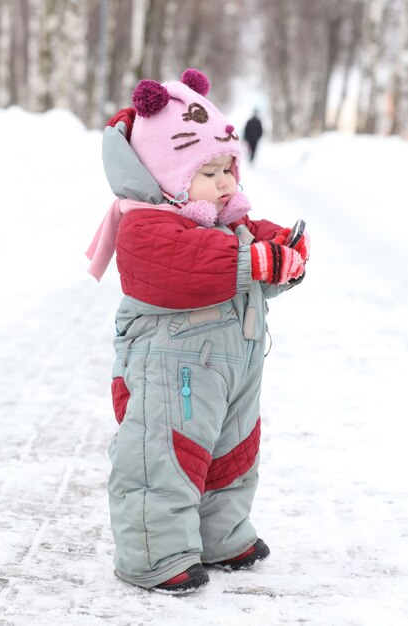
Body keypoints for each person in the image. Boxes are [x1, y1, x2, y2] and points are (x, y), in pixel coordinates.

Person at [86, 69, 309, 594]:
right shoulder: (145, 223)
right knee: (164, 456)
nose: (228, 182)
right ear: (168, 176)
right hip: (171, 364)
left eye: (229, 168)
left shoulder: (221, 221)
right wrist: (252, 261)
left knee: (232, 455)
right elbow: (189, 263)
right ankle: (154, 552)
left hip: (233, 362)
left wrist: (283, 254)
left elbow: (249, 243)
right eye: (210, 172)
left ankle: (222, 535)